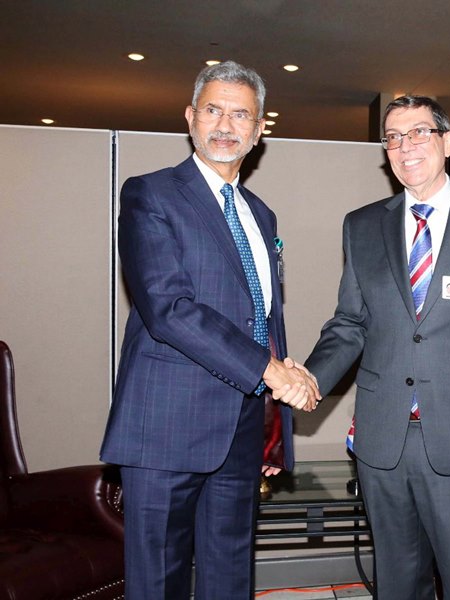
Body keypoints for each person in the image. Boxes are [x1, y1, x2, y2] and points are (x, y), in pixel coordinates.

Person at [100, 60, 319, 600]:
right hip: (165, 427)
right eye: (213, 110)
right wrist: (270, 370)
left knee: (230, 577)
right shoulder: (150, 194)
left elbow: (261, 317)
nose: (225, 125)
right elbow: (168, 309)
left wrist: (275, 410)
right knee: (159, 583)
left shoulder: (260, 214)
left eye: (241, 114)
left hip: (241, 429)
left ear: (259, 129)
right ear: (190, 117)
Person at [303, 96, 450, 599]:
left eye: (419, 133)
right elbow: (350, 323)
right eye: (393, 137)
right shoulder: (361, 225)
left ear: (448, 142)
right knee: (397, 581)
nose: (405, 146)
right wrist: (310, 379)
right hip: (383, 438)